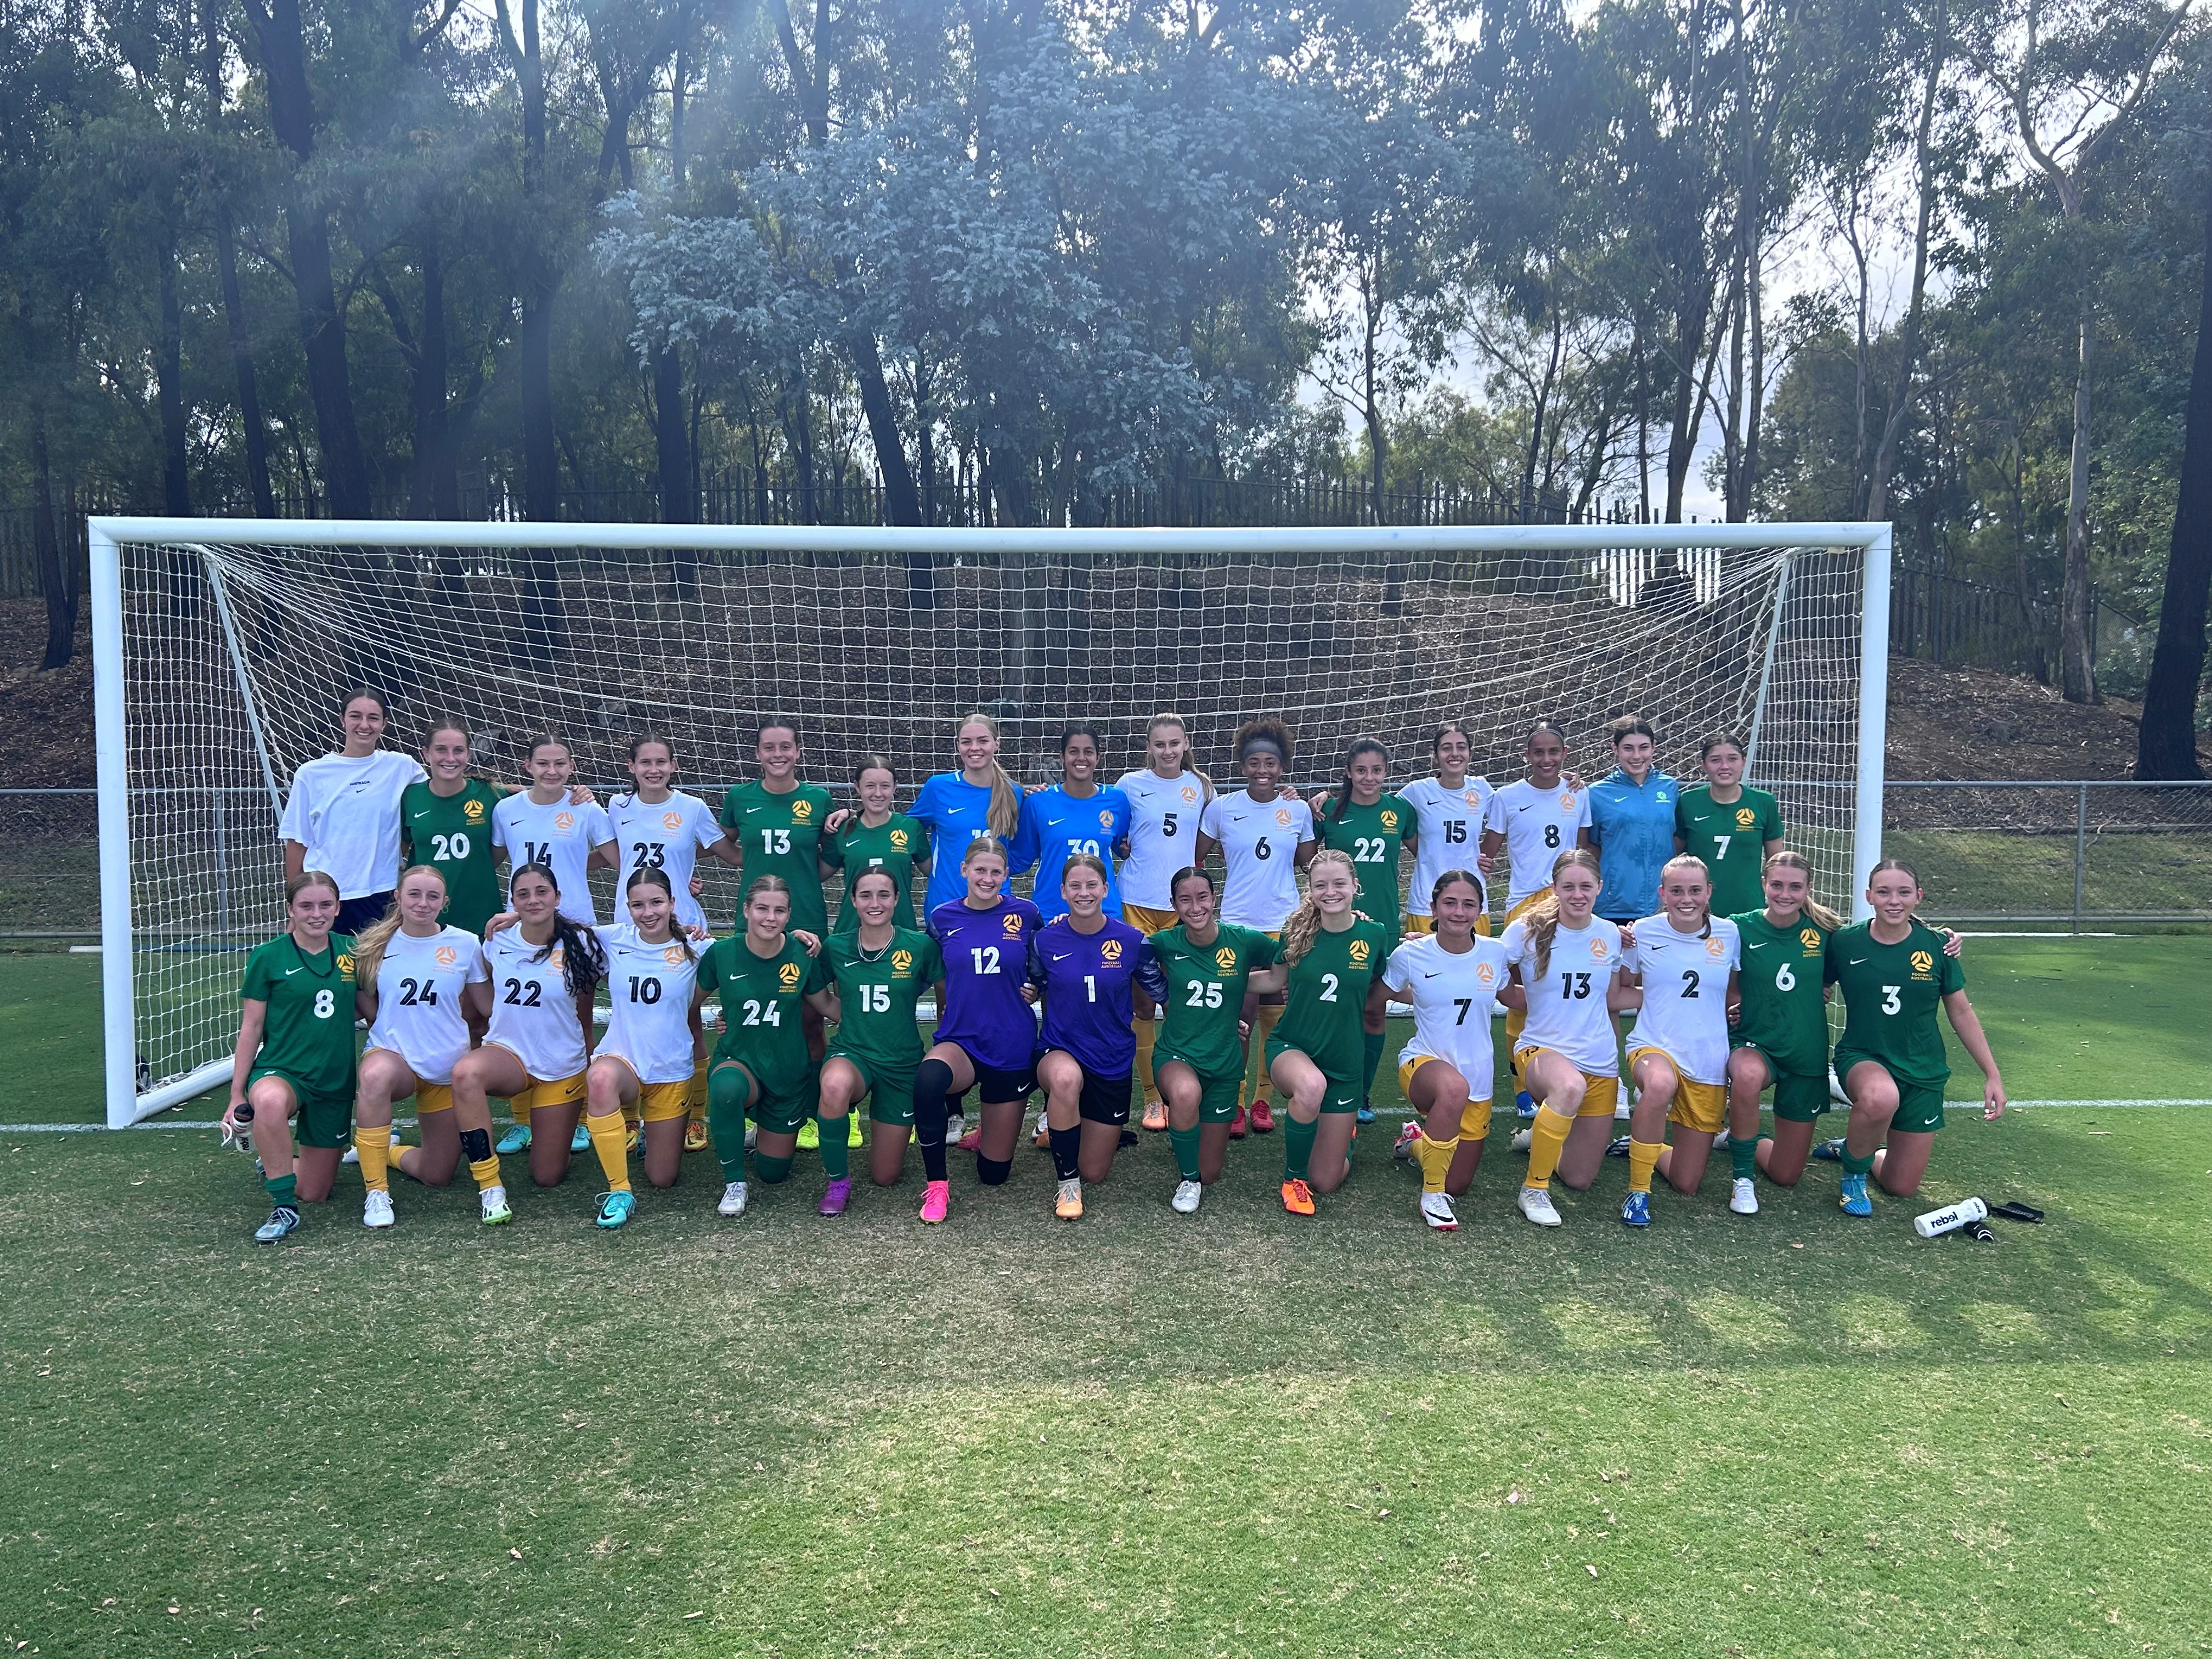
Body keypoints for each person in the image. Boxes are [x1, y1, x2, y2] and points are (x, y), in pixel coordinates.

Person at [1732, 853, 1964, 1203]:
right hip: (1804, 1049)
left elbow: (1956, 1007)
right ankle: (1743, 1161)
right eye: (1776, 884)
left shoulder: (1840, 936)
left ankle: (1855, 1149)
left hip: (1839, 1059)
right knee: (1750, 1079)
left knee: (1891, 1186)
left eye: (1795, 886)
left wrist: (1944, 937)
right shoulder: (1747, 927)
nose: (1785, 893)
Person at [1815, 860, 2006, 1214]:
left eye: (1904, 892)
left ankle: (1855, 1146)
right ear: (1869, 896)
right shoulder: (1844, 942)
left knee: (1901, 1187)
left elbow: (1961, 1011)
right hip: (1863, 1056)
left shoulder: (1937, 946)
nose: (1894, 901)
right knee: (1880, 1097)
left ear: (1918, 896)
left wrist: (1992, 1074)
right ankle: (1853, 1179)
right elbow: (1818, 985)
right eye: (1884, 892)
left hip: (1923, 1069)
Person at [454, 865, 624, 1226]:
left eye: (542, 892)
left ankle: (557, 1131)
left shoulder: (584, 942)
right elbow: (483, 990)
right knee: (466, 1073)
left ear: (558, 897)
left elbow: (639, 937)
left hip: (561, 1066)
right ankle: (490, 1187)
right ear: (512, 901)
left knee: (547, 1176)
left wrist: (686, 928)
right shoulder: (497, 939)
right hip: (509, 1055)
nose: (533, 900)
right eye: (523, 895)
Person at [607, 734, 740, 1150]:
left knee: (688, 1018)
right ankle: (630, 1119)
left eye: (661, 761)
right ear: (631, 767)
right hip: (631, 925)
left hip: (684, 928)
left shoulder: (692, 808)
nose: (653, 769)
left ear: (673, 764)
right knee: (626, 1019)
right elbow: (598, 845)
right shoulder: (615, 807)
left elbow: (729, 851)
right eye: (645, 762)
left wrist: (685, 876)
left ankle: (695, 1118)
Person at [909, 839, 1046, 1224]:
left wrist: (1036, 986)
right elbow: (924, 970)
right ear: (964, 870)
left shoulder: (1027, 913)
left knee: (994, 1176)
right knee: (928, 1080)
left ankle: (987, 1135)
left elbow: (1046, 961)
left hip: (1011, 1043)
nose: (988, 879)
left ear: (1006, 876)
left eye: (996, 872)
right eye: (980, 870)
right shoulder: (942, 918)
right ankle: (937, 1185)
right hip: (962, 1038)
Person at [351, 864, 496, 1228]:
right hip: (396, 1057)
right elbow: (360, 994)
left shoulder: (466, 943)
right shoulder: (374, 944)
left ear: (444, 902)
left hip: (447, 1068)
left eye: (432, 896)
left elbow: (488, 1006)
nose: (422, 903)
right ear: (398, 897)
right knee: (374, 1076)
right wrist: (381, 1024)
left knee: (437, 1174)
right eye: (414, 894)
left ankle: (385, 1150)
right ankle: (376, 1193)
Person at [222, 872, 360, 1242]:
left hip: (335, 1080)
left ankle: (272, 1163)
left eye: (325, 905)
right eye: (306, 906)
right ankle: (284, 1208)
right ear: (290, 910)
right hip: (283, 1071)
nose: (317, 914)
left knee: (316, 1190)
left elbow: (372, 1010)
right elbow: (251, 1028)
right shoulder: (268, 957)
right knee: (267, 1101)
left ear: (338, 908)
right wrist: (237, 1094)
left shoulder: (354, 951)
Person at [1195, 716, 1316, 1137]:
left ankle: (1263, 1101)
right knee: (1240, 1017)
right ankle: (1236, 1102)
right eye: (1254, 763)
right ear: (1242, 765)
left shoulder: (1296, 809)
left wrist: (1316, 811)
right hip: (1238, 927)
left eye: (1271, 763)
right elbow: (1195, 860)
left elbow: (1310, 863)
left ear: (1282, 767)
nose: (1262, 771)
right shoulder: (1223, 808)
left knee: (1277, 1019)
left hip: (1284, 928)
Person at [1500, 849, 1634, 1228]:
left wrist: (1672, 995)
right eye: (1569, 886)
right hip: (1542, 1050)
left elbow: (1612, 999)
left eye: (1586, 887)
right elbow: (1484, 962)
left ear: (1600, 888)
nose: (1578, 895)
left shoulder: (1610, 934)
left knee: (1579, 1179)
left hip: (1600, 1061)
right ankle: (1534, 1189)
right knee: (1569, 1086)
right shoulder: (1527, 929)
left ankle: (1539, 1135)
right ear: (1554, 888)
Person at [695, 876, 837, 1219]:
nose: (770, 918)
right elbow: (687, 1002)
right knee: (726, 1089)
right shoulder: (722, 954)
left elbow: (829, 1007)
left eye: (779, 911)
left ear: (789, 916)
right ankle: (735, 1183)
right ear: (746, 910)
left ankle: (759, 1130)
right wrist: (711, 1025)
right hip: (739, 1059)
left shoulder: (802, 955)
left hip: (787, 1071)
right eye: (762, 908)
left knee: (774, 1173)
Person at [1262, 850, 1391, 1216]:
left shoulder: (1375, 935)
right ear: (1311, 890)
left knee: (1328, 1180)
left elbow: (1385, 984)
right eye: (1321, 885)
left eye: (1339, 883)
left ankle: (1343, 1134)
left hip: (1344, 1063)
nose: (1330, 892)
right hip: (1293, 1047)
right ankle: (1292, 1181)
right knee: (1310, 1086)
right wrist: (1215, 979)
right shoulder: (1295, 931)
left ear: (1355, 885)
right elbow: (1274, 980)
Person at [1028, 854, 1156, 1219]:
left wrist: (1223, 1016)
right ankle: (1067, 1188)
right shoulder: (1045, 940)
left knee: (1096, 1172)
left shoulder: (1132, 941)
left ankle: (1067, 1128)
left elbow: (1164, 993)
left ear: (1105, 889)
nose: (1084, 893)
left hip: (1111, 1058)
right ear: (1063, 891)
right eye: (1075, 886)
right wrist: (1028, 992)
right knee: (1066, 1080)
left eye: (1091, 885)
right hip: (1060, 1049)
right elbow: (1032, 984)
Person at [1616, 855, 1740, 1227]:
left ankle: (1645, 1147)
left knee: (1687, 1183)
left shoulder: (1729, 933)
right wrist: (1653, 996)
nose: (1687, 899)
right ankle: (1638, 1192)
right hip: (1654, 1045)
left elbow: (1733, 993)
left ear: (1709, 892)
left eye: (1695, 890)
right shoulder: (1643, 933)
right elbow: (1620, 990)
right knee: (1658, 1085)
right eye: (1677, 891)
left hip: (1707, 1059)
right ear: (1663, 894)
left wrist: (1736, 1009)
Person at [1384, 870, 1511, 1231]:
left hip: (1479, 1074)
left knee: (1461, 1184)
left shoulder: (1496, 951)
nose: (1459, 911)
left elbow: (1512, 996)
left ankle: (1414, 1143)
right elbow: (1378, 995)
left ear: (1481, 910)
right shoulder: (1411, 954)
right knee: (1454, 1088)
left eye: (1469, 904)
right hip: (1424, 1064)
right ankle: (1432, 1197)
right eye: (1450, 903)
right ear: (1433, 908)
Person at [1148, 866, 1277, 1214]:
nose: (1195, 907)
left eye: (1202, 897)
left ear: (1214, 898)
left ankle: (1189, 1141)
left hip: (1223, 1063)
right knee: (1187, 1095)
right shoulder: (1164, 943)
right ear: (1173, 904)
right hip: (1177, 1055)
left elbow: (1286, 963)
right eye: (1185, 900)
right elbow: (1113, 946)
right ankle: (1186, 1178)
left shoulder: (1244, 940)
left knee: (1211, 1173)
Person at [1481, 723, 1592, 1120]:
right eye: (1538, 752)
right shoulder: (1507, 797)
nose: (1546, 759)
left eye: (1554, 752)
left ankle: (1563, 1073)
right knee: (1521, 995)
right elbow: (1488, 853)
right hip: (1524, 904)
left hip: (1566, 900)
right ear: (1527, 755)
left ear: (1564, 753)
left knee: (1558, 989)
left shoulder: (1579, 793)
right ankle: (1522, 1087)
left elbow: (1582, 847)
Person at [579, 868, 711, 1200]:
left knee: (662, 1178)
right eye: (638, 905)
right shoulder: (614, 938)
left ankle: (652, 1134)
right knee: (599, 1078)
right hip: (623, 1060)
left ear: (672, 903)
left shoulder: (697, 947)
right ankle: (619, 1190)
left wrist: (795, 936)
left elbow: (750, 949)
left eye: (656, 902)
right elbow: (555, 932)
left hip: (670, 1069)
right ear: (627, 907)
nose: (648, 913)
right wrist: (515, 916)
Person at [1113, 713, 1214, 1130]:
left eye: (1175, 743)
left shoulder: (1201, 787)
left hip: (1182, 906)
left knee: (1180, 1001)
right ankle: (1152, 1098)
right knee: (1142, 1003)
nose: (1168, 751)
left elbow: (1212, 838)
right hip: (1136, 901)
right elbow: (1116, 839)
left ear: (1186, 744)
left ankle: (1182, 1089)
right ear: (1149, 748)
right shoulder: (1129, 785)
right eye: (1160, 744)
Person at [1309, 736, 1416, 1122]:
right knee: (1334, 1009)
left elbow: (1427, 851)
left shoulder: (1401, 810)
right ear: (1348, 773)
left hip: (1382, 925)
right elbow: (1307, 860)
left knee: (1373, 1011)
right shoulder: (1329, 813)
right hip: (1334, 926)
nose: (1369, 778)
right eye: (1361, 771)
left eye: (1377, 770)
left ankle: (1362, 1094)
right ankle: (1325, 1085)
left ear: (1386, 771)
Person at [817, 869, 943, 1195]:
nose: (875, 903)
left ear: (897, 899)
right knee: (834, 1084)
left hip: (901, 1063)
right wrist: (844, 1015)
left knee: (885, 1176)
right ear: (854, 901)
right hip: (853, 1053)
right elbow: (814, 990)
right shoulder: (836, 946)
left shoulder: (920, 946)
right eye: (866, 895)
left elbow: (945, 995)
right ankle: (837, 1183)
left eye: (884, 895)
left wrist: (941, 1045)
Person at [279, 688, 427, 934]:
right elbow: (297, 843)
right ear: (343, 719)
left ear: (384, 723)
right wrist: (296, 907)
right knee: (330, 972)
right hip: (325, 898)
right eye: (356, 716)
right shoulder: (311, 774)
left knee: (375, 972)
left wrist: (496, 789)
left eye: (373, 718)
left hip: (382, 895)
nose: (364, 725)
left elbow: (443, 794)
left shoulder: (402, 767)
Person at [882, 713, 1023, 917]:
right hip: (946, 905)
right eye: (967, 742)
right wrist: (928, 863)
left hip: (996, 907)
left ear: (997, 743)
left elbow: (1020, 850)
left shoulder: (1014, 793)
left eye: (983, 741)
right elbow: (907, 829)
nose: (974, 748)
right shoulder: (938, 788)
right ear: (958, 746)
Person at [1009, 726, 1133, 923]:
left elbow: (1124, 848)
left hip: (1104, 912)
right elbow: (1019, 858)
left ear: (1098, 757)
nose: (1081, 758)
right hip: (1051, 912)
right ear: (1062, 756)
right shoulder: (1039, 802)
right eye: (1074, 751)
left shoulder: (1116, 800)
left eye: (1088, 752)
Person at [491, 735, 617, 927]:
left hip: (575, 919)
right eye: (543, 764)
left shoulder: (586, 808)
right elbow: (493, 860)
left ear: (571, 766)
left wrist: (573, 861)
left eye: (560, 764)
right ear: (528, 765)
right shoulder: (505, 809)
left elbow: (618, 859)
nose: (552, 771)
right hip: (522, 918)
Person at [399, 716, 504, 938]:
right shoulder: (410, 798)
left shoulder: (490, 795)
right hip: (426, 916)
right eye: (441, 750)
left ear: (468, 754)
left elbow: (537, 797)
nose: (450, 758)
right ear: (426, 754)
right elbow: (398, 853)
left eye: (458, 751)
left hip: (480, 915)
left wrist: (578, 793)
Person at [1672, 733, 1784, 919]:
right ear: (1704, 765)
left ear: (1743, 762)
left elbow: (1776, 863)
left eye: (1732, 759)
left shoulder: (1763, 802)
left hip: (1749, 909)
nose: (1725, 766)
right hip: (1696, 910)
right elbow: (1674, 857)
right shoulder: (1688, 802)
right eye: (1716, 760)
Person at [1400, 721, 1494, 938]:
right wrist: (1326, 798)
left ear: (1470, 753)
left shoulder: (1481, 789)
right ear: (1436, 756)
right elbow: (1381, 809)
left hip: (1473, 901)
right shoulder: (1417, 791)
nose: (1455, 754)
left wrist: (1557, 782)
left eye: (1461, 747)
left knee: (1473, 967)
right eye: (1446, 748)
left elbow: (1514, 813)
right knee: (1423, 969)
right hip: (1426, 900)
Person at [1587, 714, 1679, 928]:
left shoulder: (1670, 788)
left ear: (1654, 748)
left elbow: (1675, 838)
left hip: (1663, 904)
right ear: (1615, 749)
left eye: (1644, 747)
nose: (1637, 756)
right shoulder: (1597, 794)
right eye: (1628, 748)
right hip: (1615, 905)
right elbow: (1591, 847)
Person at [831, 756, 930, 932]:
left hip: (901, 929)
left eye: (885, 786)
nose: (878, 793)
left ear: (895, 787)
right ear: (857, 787)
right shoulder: (843, 829)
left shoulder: (910, 828)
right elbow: (815, 873)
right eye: (870, 786)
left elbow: (935, 873)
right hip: (851, 930)